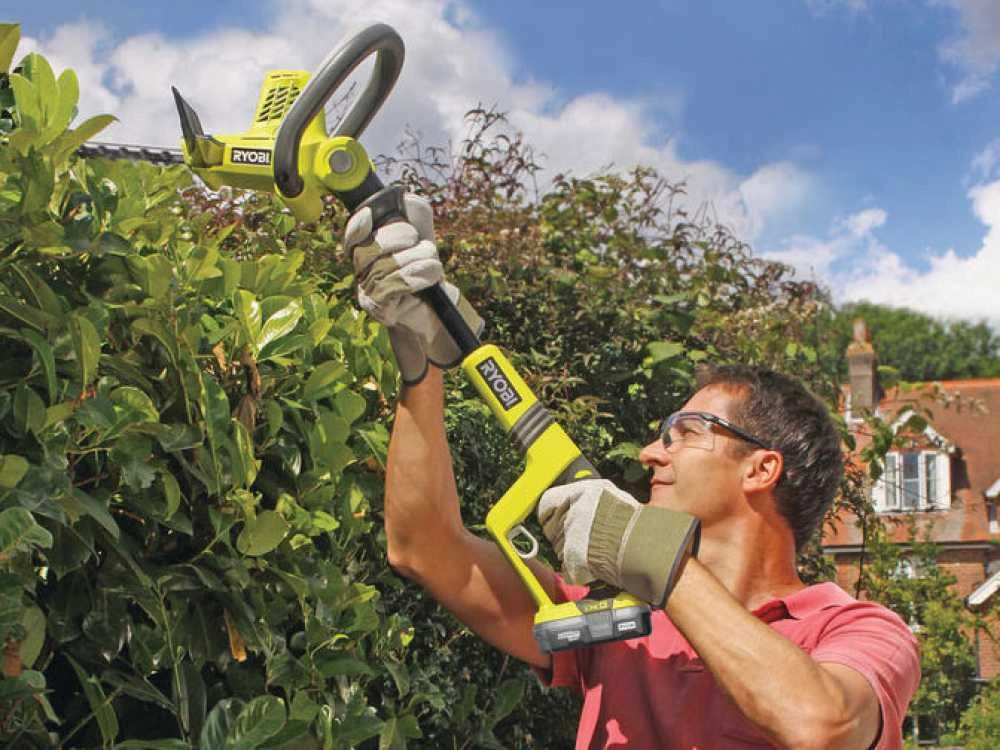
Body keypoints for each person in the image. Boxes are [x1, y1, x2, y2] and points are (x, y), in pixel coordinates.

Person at [346, 190, 921, 749]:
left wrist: (655, 559)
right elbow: (423, 546)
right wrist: (419, 360)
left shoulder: (858, 629)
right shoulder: (621, 616)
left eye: (685, 433)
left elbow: (822, 727)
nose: (650, 453)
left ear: (761, 468)